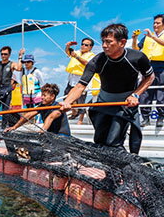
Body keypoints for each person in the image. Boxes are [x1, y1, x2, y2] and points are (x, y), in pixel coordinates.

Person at [60, 23, 154, 154]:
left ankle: (123, 168)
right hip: (104, 103)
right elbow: (80, 85)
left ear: (122, 42)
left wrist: (136, 95)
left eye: (109, 42)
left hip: (124, 104)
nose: (104, 45)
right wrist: (67, 102)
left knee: (113, 142)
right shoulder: (97, 61)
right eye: (103, 41)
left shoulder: (137, 57)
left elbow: (150, 77)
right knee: (99, 140)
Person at [132, 14, 164, 127]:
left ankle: (161, 117)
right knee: (145, 91)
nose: (155, 25)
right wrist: (134, 39)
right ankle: (145, 117)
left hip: (161, 66)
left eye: (158, 23)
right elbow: (136, 49)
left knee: (161, 91)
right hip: (147, 66)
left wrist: (153, 37)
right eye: (154, 23)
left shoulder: (156, 36)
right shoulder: (146, 37)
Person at [5, 84, 70, 135]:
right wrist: (14, 127)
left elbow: (51, 117)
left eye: (44, 95)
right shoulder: (42, 106)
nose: (42, 97)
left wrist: (42, 130)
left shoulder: (58, 107)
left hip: (63, 135)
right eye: (42, 95)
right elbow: (29, 115)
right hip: (51, 134)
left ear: (52, 96)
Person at [0, 46, 24, 128]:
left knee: (5, 113)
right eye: (2, 54)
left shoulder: (12, 64)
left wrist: (20, 57)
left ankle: (3, 129)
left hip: (7, 90)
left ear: (9, 55)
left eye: (5, 54)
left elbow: (19, 68)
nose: (3, 56)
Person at [64, 38, 96, 124]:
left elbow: (87, 63)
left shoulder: (92, 55)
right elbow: (67, 53)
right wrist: (67, 46)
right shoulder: (77, 52)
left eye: (86, 45)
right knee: (67, 94)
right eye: (82, 44)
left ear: (90, 47)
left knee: (81, 99)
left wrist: (77, 57)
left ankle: (80, 119)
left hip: (82, 77)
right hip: (72, 77)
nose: (83, 46)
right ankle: (74, 112)